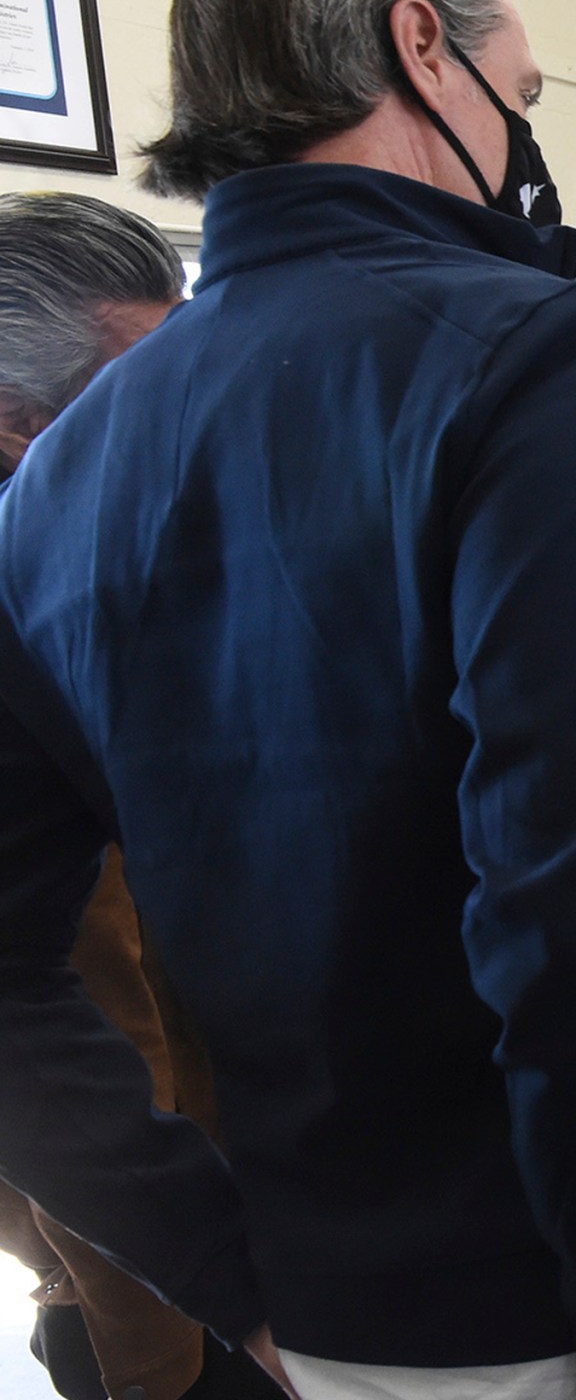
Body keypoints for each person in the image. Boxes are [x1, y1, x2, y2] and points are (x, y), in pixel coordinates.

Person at [0, 0, 576, 1399]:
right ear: (421, 48)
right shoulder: (546, 361)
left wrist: (230, 1277)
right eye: (522, 94)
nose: (522, 137)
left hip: (344, 1328)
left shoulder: (54, 497)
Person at [0, 193, 284, 1400]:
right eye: (143, 397)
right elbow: (43, 1026)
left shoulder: (106, 554)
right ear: (17, 424)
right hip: (162, 1281)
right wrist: (233, 1309)